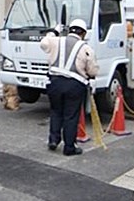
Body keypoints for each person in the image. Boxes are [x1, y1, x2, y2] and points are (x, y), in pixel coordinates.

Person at [40, 18, 99, 156]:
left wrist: (54, 32)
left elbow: (43, 44)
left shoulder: (57, 41)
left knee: (56, 111)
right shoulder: (86, 48)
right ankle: (69, 147)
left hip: (54, 82)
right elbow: (93, 71)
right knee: (71, 116)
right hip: (75, 85)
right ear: (83, 33)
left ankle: (53, 140)